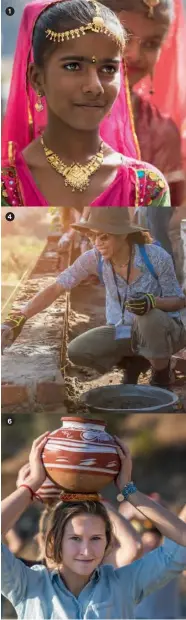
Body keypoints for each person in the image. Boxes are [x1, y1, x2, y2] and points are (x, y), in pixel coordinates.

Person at [1, 0, 170, 207]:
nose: (94, 86)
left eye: (108, 69)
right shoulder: (7, 188)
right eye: (73, 66)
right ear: (37, 79)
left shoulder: (147, 187)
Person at [2, 431, 186, 620]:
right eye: (75, 538)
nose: (87, 550)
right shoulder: (27, 585)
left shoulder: (124, 584)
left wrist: (129, 490)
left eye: (96, 538)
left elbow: (182, 543)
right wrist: (30, 486)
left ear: (108, 542)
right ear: (54, 541)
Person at [2, 208, 186, 387]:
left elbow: (178, 301)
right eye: (92, 236)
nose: (97, 243)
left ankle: (162, 373)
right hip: (123, 330)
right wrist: (19, 317)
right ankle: (136, 362)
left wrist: (152, 301)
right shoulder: (93, 259)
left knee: (148, 317)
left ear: (122, 234)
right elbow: (57, 286)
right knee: (77, 351)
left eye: (104, 236)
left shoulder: (156, 257)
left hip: (166, 331)